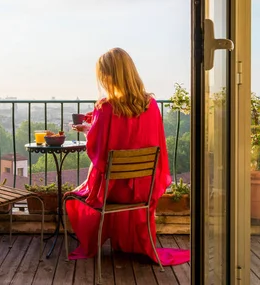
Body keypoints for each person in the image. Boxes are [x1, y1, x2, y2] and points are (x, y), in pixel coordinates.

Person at [65, 47, 190, 266]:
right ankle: (128, 240)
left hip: (114, 193)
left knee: (75, 195)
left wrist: (87, 130)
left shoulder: (106, 108)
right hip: (142, 189)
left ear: (109, 76)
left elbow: (98, 151)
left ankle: (97, 240)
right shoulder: (151, 106)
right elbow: (155, 144)